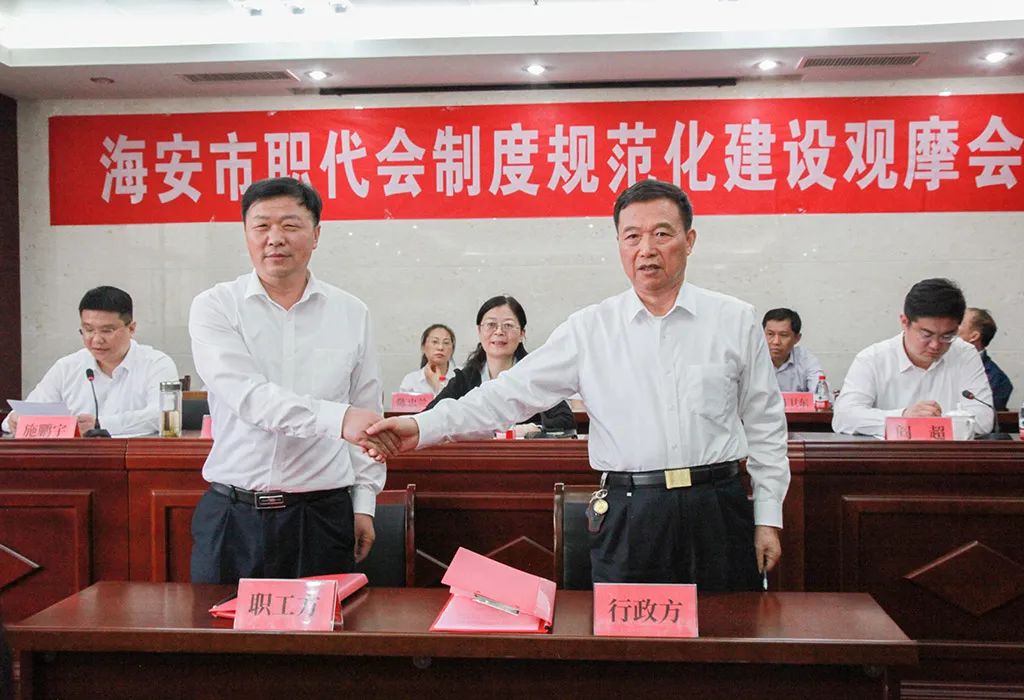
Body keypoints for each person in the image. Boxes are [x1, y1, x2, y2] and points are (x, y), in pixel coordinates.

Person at [367, 179, 790, 591]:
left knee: (727, 630)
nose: (646, 248)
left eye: (662, 234)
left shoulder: (733, 319)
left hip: (717, 508)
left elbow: (765, 423)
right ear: (619, 245)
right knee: (629, 634)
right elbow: (505, 395)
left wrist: (768, 516)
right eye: (632, 236)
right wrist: (421, 426)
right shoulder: (590, 329)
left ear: (689, 240)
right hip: (630, 513)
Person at [187, 176, 390, 584]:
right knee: (219, 626)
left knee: (324, 627)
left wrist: (363, 502)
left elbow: (367, 411)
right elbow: (249, 398)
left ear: (316, 234)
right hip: (234, 517)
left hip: (322, 517)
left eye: (290, 225)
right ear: (246, 234)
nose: (275, 238)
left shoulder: (351, 312)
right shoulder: (215, 307)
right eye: (261, 226)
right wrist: (339, 419)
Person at [1, 286, 178, 436]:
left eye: (107, 331)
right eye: (88, 330)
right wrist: (15, 419)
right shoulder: (67, 367)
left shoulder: (157, 364)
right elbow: (28, 411)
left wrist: (99, 425)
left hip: (136, 458)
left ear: (131, 328)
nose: (96, 340)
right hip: (75, 458)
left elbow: (162, 415)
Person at [833, 278, 994, 437]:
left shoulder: (965, 354)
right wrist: (903, 417)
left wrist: (929, 423)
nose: (935, 345)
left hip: (948, 453)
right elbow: (843, 417)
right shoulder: (873, 359)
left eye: (947, 336)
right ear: (904, 322)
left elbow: (983, 419)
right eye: (926, 334)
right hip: (889, 453)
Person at [426, 295, 575, 436]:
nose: (499, 332)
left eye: (508, 325)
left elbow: (565, 421)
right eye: (491, 325)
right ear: (479, 331)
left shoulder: (534, 374)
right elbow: (429, 416)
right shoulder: (465, 378)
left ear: (522, 334)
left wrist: (532, 430)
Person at [958, 307, 1014, 411]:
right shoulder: (935, 360)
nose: (950, 327)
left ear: (974, 336)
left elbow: (984, 415)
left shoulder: (998, 380)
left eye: (959, 323)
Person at [762, 307, 824, 392]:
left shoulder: (805, 359)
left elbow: (821, 394)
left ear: (797, 338)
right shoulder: (752, 359)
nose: (776, 342)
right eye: (770, 334)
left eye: (783, 335)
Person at [398, 324, 456, 395]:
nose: (440, 347)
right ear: (423, 347)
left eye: (446, 343)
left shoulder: (463, 377)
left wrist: (437, 385)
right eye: (435, 342)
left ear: (452, 349)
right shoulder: (411, 380)